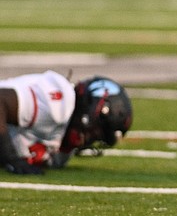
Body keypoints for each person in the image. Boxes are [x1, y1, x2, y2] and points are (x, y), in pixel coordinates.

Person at [0, 71, 133, 174]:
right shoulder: (57, 104)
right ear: (90, 108)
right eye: (98, 132)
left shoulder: (61, 154)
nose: (92, 139)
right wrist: (12, 158)